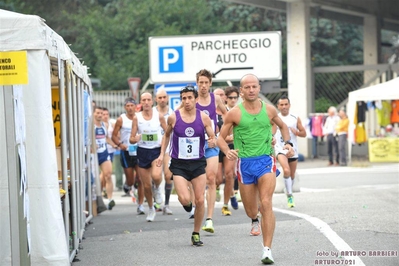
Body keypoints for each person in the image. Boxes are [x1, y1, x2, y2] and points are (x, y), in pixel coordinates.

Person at [217, 74, 294, 265]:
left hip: (266, 161)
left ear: (259, 88)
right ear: (241, 91)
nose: (251, 90)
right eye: (247, 87)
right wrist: (227, 151)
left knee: (266, 202)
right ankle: (254, 219)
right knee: (251, 209)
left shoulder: (269, 109)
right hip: (245, 164)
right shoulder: (235, 113)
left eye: (254, 86)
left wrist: (288, 144)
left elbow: (283, 127)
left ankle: (267, 249)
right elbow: (220, 138)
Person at [156, 85, 216, 246]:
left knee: (200, 200)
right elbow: (166, 136)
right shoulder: (173, 117)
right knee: (184, 198)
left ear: (196, 99)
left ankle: (196, 233)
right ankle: (188, 207)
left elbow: (213, 136)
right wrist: (162, 154)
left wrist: (212, 140)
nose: (187, 101)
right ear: (181, 100)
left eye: (190, 98)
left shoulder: (203, 117)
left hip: (197, 163)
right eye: (184, 98)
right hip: (180, 164)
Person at [195, 69, 227, 233]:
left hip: (211, 144)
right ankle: (197, 205)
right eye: (201, 82)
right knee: (195, 181)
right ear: (197, 83)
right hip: (195, 145)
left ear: (210, 83)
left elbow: (228, 116)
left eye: (206, 82)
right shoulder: (192, 100)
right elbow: (177, 116)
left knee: (211, 178)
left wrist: (220, 135)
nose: (203, 85)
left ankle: (209, 219)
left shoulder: (216, 99)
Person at [130, 92, 167, 222]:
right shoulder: (137, 118)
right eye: (143, 100)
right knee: (146, 185)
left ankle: (157, 188)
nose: (146, 102)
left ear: (152, 102)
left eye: (148, 100)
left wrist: (163, 150)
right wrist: (136, 138)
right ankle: (151, 208)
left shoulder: (159, 116)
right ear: (141, 102)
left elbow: (167, 133)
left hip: (156, 151)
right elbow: (131, 139)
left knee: (156, 176)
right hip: (142, 151)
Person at [112, 98, 145, 214]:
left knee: (140, 179)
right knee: (131, 180)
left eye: (132, 105)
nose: (130, 108)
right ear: (125, 107)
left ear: (136, 107)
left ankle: (141, 205)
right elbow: (114, 136)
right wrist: (121, 145)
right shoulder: (121, 119)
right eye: (128, 106)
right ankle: (128, 185)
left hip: (139, 150)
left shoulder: (140, 117)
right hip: (126, 152)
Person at [274, 96, 307, 208]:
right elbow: (271, 132)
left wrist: (296, 132)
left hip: (293, 149)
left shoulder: (295, 118)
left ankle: (288, 188)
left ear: (289, 105)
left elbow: (304, 133)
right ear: (278, 106)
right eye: (281, 105)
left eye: (285, 104)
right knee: (286, 170)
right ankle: (290, 195)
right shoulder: (275, 118)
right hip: (280, 148)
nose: (284, 107)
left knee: (292, 174)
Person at [215, 86, 240, 216]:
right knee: (218, 178)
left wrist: (228, 138)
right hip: (214, 148)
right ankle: (229, 193)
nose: (219, 97)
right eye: (216, 95)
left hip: (228, 146)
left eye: (221, 94)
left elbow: (232, 134)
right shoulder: (209, 113)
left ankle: (225, 205)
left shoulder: (229, 113)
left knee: (230, 174)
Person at [154, 89, 174, 215]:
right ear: (156, 99)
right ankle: (156, 189)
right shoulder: (151, 113)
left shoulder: (172, 113)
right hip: (154, 147)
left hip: (167, 148)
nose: (162, 99)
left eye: (164, 97)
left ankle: (166, 204)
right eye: (159, 97)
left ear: (167, 98)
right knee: (156, 176)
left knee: (168, 176)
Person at [93, 106, 117, 210]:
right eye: (97, 113)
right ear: (93, 113)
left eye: (101, 113)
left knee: (108, 175)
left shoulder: (105, 125)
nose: (100, 115)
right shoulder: (90, 125)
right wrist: (91, 145)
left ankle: (110, 199)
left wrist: (114, 145)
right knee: (94, 179)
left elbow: (106, 137)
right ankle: (96, 199)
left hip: (103, 152)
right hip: (92, 154)